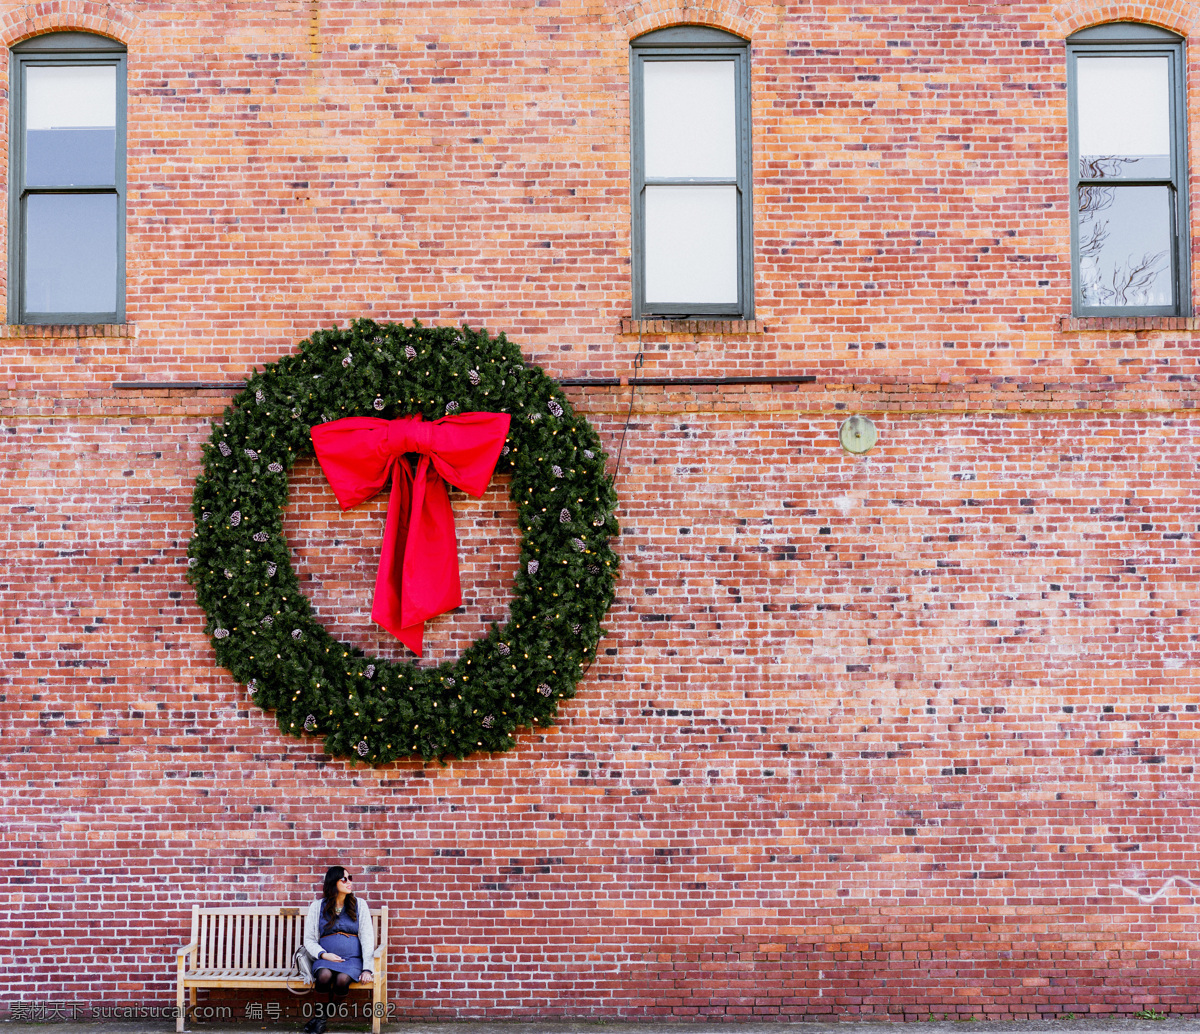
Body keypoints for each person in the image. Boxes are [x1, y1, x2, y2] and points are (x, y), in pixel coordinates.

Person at [301, 866, 374, 1034]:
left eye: (350, 878)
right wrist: (324, 954)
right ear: (333, 883)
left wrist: (367, 968)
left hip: (352, 960)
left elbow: (368, 938)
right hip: (325, 958)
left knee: (342, 979)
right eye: (344, 879)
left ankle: (320, 1019)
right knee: (324, 975)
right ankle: (321, 1021)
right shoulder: (317, 907)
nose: (349, 883)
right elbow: (309, 940)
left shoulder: (359, 905)